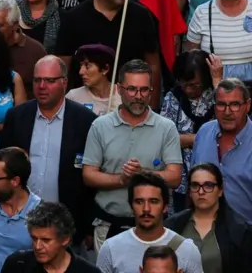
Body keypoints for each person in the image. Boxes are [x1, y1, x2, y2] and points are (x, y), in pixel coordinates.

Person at [83, 59, 185, 243]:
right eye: (131, 89)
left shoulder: (166, 128)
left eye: (144, 90)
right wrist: (121, 179)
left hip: (154, 229)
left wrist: (142, 175)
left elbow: (175, 177)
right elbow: (89, 175)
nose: (138, 96)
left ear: (151, 91)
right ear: (119, 89)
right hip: (108, 226)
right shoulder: (100, 126)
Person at [0, 56, 97, 229]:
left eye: (50, 80)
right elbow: (2, 167)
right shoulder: (17, 117)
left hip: (66, 223)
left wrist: (87, 225)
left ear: (64, 82)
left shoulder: (85, 121)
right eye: (37, 80)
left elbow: (89, 176)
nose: (42, 86)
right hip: (18, 219)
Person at [96, 172, 204, 273]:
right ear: (131, 206)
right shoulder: (111, 249)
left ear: (165, 207)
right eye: (139, 202)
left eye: (153, 201)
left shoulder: (187, 250)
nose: (146, 209)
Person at [165, 162, 252, 273]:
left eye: (208, 186)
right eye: (195, 185)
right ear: (190, 192)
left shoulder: (240, 231)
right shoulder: (172, 225)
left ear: (220, 190)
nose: (201, 192)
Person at [191, 78, 252, 222]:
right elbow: (192, 183)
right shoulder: (204, 132)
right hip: (204, 231)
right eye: (221, 104)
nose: (227, 112)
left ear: (247, 106)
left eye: (235, 105)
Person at [0, 201, 99, 273]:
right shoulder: (17, 265)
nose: (38, 246)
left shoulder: (88, 271)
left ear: (65, 239)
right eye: (34, 238)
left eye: (45, 240)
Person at [67, 44, 123, 117]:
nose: (81, 72)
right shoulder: (73, 97)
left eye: (88, 66)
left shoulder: (123, 95)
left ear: (105, 69)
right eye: (81, 66)